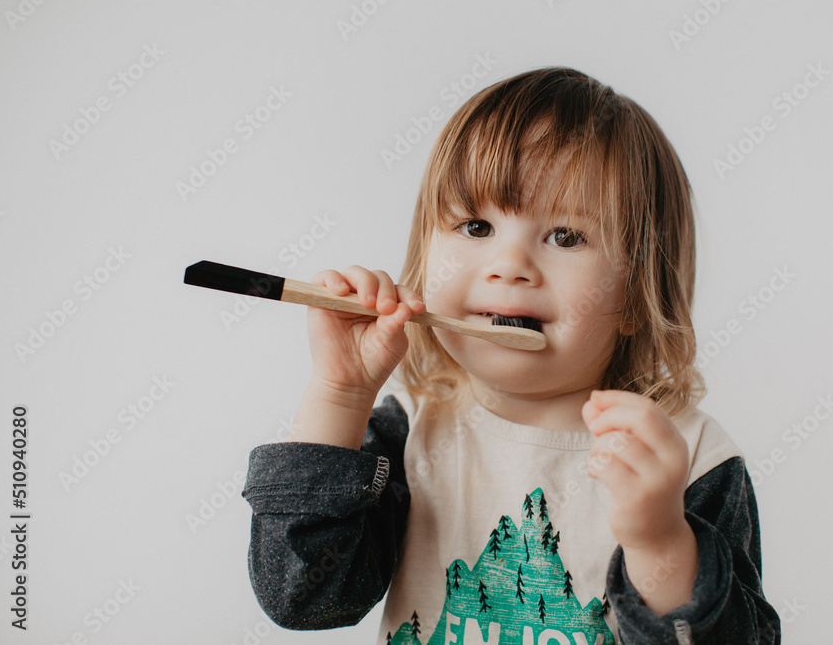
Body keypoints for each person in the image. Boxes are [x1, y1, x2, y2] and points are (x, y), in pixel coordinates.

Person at [241, 67, 780, 644]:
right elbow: (303, 598)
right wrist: (340, 395)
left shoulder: (689, 458)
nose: (509, 265)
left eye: (566, 237)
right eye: (476, 226)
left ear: (635, 295)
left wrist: (660, 541)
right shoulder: (408, 433)